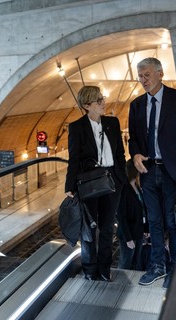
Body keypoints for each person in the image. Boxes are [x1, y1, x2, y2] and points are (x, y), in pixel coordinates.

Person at [128, 57, 176, 288]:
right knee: (154, 221)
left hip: (174, 172)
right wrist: (136, 155)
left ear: (160, 74)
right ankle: (157, 266)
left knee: (173, 222)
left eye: (147, 75)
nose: (143, 80)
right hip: (149, 172)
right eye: (140, 76)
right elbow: (134, 139)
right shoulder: (136, 105)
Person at [65, 85, 126, 282]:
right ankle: (90, 269)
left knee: (107, 227)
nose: (103, 103)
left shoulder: (113, 123)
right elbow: (74, 160)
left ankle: (104, 269)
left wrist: (121, 177)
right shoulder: (77, 128)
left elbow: (120, 154)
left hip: (112, 182)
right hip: (90, 183)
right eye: (98, 100)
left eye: (102, 98)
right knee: (89, 228)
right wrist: (70, 187)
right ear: (86, 105)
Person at [116, 159, 146, 270]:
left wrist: (145, 230)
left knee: (135, 263)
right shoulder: (124, 189)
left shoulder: (137, 186)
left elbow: (141, 210)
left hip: (138, 233)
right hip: (128, 235)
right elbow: (121, 217)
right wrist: (128, 239)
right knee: (125, 263)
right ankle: (119, 285)